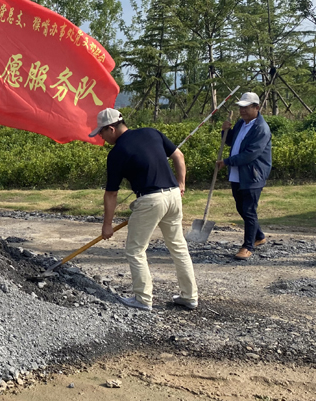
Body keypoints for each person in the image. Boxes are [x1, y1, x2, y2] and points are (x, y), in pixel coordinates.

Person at [93, 108, 198, 312]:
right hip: (173, 196)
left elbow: (111, 194)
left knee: (135, 250)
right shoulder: (151, 132)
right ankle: (189, 296)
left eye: (101, 133)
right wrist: (181, 184)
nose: (101, 137)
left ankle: (143, 299)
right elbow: (179, 155)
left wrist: (107, 225)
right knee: (178, 247)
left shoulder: (117, 153)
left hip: (150, 200)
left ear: (111, 129)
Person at [217, 92, 273, 261]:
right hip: (238, 174)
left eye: (246, 107)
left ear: (257, 108)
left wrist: (227, 162)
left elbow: (250, 154)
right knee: (241, 208)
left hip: (252, 175)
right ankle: (259, 236)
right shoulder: (241, 123)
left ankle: (248, 246)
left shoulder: (261, 128)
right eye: (240, 107)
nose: (242, 110)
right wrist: (225, 132)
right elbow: (230, 142)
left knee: (248, 210)